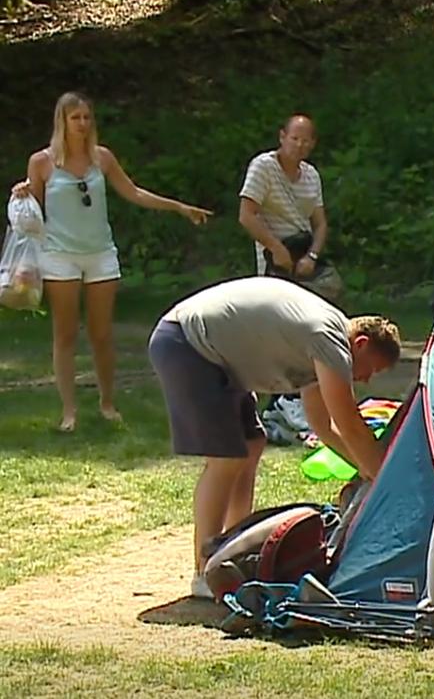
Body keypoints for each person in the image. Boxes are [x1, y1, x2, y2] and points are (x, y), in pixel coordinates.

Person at [147, 276, 402, 599]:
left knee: (251, 445)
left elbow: (323, 427)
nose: (365, 380)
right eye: (370, 369)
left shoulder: (321, 342)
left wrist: (366, 469)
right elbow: (348, 422)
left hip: (213, 354)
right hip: (188, 344)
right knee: (227, 458)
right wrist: (387, 479)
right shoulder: (329, 339)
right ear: (361, 343)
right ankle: (204, 569)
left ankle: (229, 553)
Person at [10, 91, 212, 432]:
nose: (83, 124)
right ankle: (69, 411)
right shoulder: (42, 162)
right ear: (63, 121)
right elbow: (34, 213)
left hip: (100, 253)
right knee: (65, 334)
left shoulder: (101, 158)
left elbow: (133, 192)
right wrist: (23, 194)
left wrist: (178, 206)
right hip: (59, 255)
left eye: (87, 117)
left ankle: (107, 402)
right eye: (76, 118)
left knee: (102, 334)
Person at [236, 113, 338, 297]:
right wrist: (276, 248)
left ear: (313, 144)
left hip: (305, 252)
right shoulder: (263, 167)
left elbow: (320, 224)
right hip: (276, 257)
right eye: (295, 139)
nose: (299, 145)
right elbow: (246, 216)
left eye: (305, 141)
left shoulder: (312, 175)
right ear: (282, 137)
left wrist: (312, 256)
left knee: (331, 293)